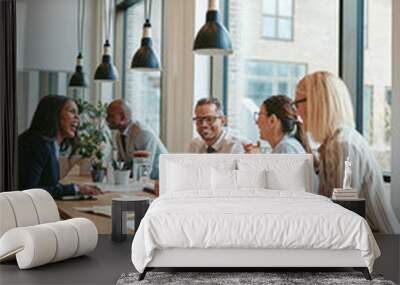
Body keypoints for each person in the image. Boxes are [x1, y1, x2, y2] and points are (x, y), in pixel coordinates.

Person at [295, 71, 400, 233]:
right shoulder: (335, 142)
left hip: (380, 245)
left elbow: (342, 215)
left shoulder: (341, 145)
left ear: (315, 103)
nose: (296, 112)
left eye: (297, 103)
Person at [18, 95, 103, 199]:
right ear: (53, 114)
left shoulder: (49, 144)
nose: (77, 118)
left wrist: (77, 188)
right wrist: (74, 189)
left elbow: (46, 185)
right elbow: (28, 191)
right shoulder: (35, 144)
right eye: (72, 111)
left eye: (78, 113)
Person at [106, 100, 167, 180]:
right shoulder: (119, 135)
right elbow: (123, 166)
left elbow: (145, 170)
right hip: (144, 182)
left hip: (161, 181)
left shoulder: (142, 133)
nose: (106, 119)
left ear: (123, 117)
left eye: (111, 116)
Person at [245, 95, 310, 154]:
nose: (257, 122)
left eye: (260, 115)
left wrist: (258, 158)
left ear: (272, 120)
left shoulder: (286, 148)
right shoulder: (286, 146)